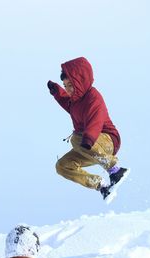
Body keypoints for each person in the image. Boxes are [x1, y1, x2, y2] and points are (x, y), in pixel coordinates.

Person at [47, 57, 129, 202]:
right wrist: (56, 91)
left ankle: (115, 170)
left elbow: (96, 121)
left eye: (70, 85)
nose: (67, 89)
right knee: (62, 166)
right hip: (87, 145)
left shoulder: (93, 97)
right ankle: (102, 186)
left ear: (80, 81)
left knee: (76, 138)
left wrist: (88, 139)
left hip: (106, 140)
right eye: (65, 85)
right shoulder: (75, 101)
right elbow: (67, 103)